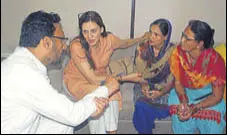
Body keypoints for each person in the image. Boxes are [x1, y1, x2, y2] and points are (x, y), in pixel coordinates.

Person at [1, 10, 120, 134]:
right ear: (46, 42)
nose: (64, 47)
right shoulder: (25, 74)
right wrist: (107, 88)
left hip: (26, 127)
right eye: (62, 40)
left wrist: (91, 106)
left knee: (63, 124)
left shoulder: (23, 64)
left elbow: (60, 111)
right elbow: (72, 114)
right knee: (69, 119)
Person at [63, 11, 148, 134]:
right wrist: (124, 78)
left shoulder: (109, 39)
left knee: (111, 92)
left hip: (99, 78)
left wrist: (141, 38)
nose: (89, 36)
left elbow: (125, 43)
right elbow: (92, 78)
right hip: (77, 81)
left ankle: (112, 132)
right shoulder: (77, 46)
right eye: (85, 32)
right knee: (99, 95)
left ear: (101, 29)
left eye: (93, 31)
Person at [168, 20, 226, 134]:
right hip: (184, 93)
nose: (181, 40)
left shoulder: (215, 61)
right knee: (179, 112)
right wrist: (184, 102)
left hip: (208, 98)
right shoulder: (178, 53)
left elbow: (217, 96)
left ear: (199, 44)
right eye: (182, 35)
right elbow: (178, 82)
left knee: (212, 121)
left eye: (187, 38)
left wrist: (194, 107)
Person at [132, 19, 176, 134]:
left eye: (156, 34)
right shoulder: (142, 47)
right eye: (150, 32)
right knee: (141, 104)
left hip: (165, 88)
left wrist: (160, 92)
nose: (151, 37)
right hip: (144, 84)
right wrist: (143, 85)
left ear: (166, 37)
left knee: (171, 105)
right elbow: (139, 72)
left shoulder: (173, 52)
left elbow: (173, 78)